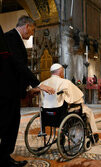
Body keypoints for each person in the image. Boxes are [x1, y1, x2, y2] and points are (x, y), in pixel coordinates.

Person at [0, 16, 55, 167]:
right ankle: (3, 159)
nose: (31, 34)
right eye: (32, 30)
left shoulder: (14, 39)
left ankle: (5, 157)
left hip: (12, 91)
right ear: (26, 26)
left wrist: (29, 89)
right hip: (6, 91)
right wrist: (38, 83)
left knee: (11, 125)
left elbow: (16, 70)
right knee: (6, 125)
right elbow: (17, 64)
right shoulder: (10, 37)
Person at [40, 63, 98, 134]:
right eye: (62, 72)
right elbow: (77, 98)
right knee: (88, 111)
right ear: (60, 72)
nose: (63, 74)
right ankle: (93, 133)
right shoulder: (65, 82)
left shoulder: (43, 84)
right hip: (61, 112)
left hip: (47, 112)